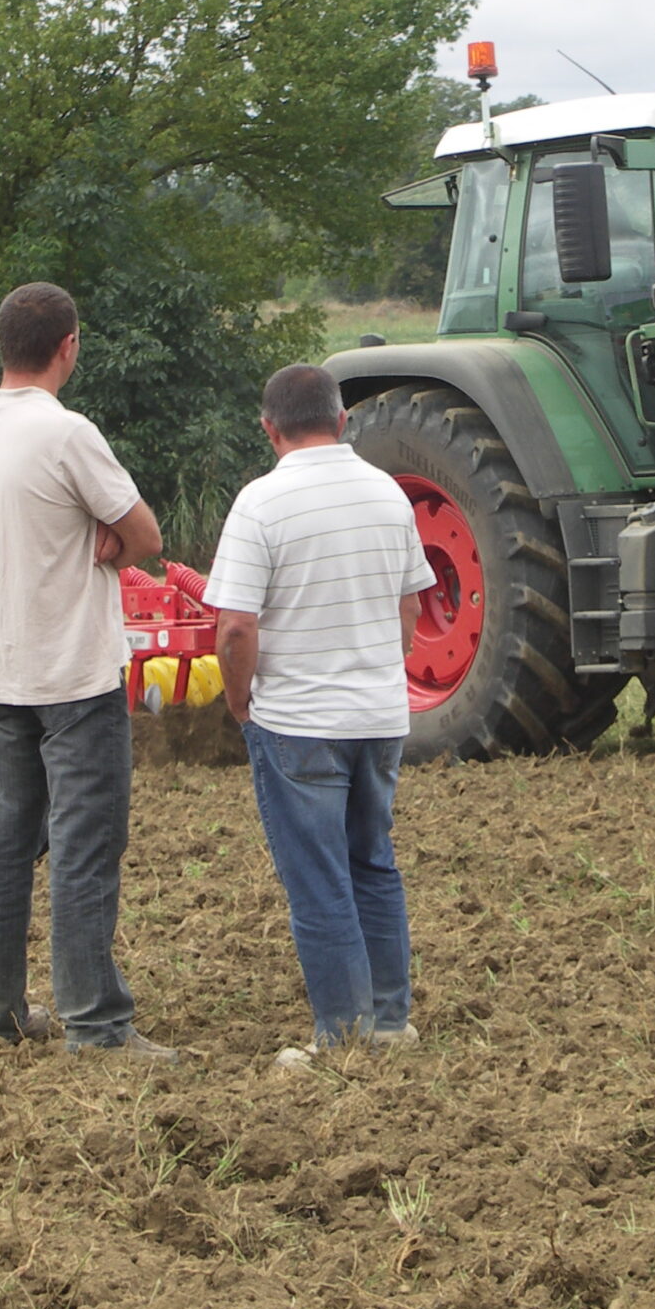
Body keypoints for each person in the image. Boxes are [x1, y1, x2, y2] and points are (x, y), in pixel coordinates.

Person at [0, 282, 174, 1059]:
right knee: (86, 845)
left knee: (9, 843)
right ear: (69, 348)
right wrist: (114, 541)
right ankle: (97, 1023)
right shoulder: (66, 432)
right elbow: (144, 532)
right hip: (76, 674)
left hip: (6, 669)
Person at [205, 364, 434, 1058]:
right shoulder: (389, 496)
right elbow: (410, 604)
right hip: (378, 716)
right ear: (342, 421)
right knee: (373, 864)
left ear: (269, 430)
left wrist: (239, 696)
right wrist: (380, 672)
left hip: (299, 722)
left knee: (319, 879)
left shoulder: (260, 503)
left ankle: (342, 1034)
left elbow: (237, 627)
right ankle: (390, 1022)